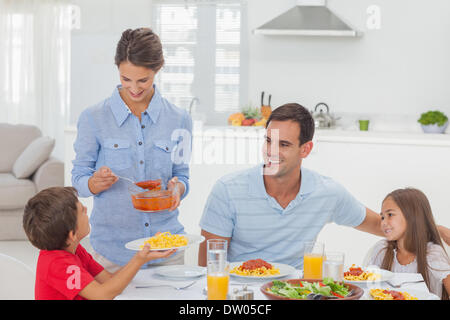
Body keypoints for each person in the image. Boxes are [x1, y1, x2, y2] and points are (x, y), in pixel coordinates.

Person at [198, 103, 384, 269]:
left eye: (284, 144)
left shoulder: (327, 192)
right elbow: (208, 266)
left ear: (305, 149)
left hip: (296, 292)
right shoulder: (228, 190)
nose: (271, 151)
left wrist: (410, 234)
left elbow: (381, 225)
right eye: (268, 140)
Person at [71, 28, 192, 272]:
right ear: (118, 69)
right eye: (126, 79)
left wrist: (177, 189)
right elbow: (79, 178)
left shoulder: (179, 119)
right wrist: (95, 183)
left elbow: (183, 176)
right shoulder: (93, 118)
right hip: (112, 255)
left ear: (157, 70)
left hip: (165, 251)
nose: (134, 88)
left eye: (143, 81)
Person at [23, 187, 176, 300]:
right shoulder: (57, 264)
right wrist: (139, 259)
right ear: (72, 235)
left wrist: (142, 254)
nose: (86, 208)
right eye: (82, 210)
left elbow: (109, 281)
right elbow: (102, 295)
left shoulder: (75, 249)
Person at [366, 188, 450, 299]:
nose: (383, 222)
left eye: (390, 214)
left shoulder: (432, 254)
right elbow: (368, 289)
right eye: (382, 217)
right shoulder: (382, 249)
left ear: (412, 216)